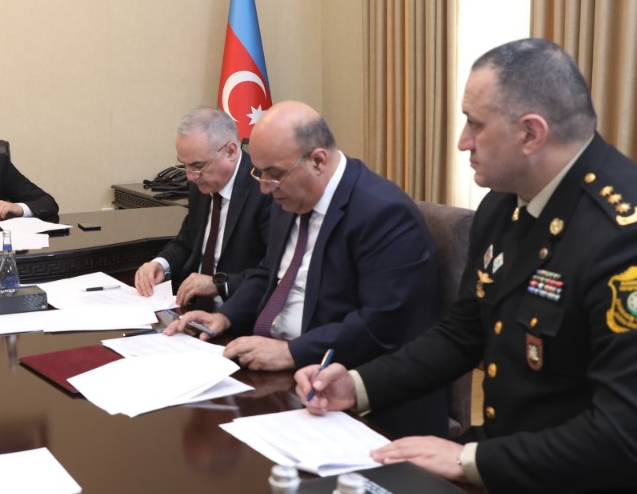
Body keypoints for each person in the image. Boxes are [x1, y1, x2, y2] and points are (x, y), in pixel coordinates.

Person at [297, 38, 637, 494]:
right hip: (523, 466)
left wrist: (470, 460)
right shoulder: (507, 203)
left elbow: (630, 438)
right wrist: (356, 385)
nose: (462, 141)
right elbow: (464, 332)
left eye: (475, 124)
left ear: (530, 134)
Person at [167, 100, 447, 438]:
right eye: (259, 172)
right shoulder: (289, 195)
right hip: (275, 371)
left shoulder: (383, 213)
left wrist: (290, 352)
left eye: (274, 174)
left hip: (345, 387)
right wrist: (225, 317)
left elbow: (382, 322)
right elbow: (269, 273)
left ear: (318, 160)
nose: (264, 187)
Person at [134, 107, 273, 307]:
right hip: (190, 306)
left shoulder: (265, 189)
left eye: (198, 166)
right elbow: (186, 242)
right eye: (185, 165)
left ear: (231, 151)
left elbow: (272, 272)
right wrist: (160, 264)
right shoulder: (201, 184)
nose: (190, 176)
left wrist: (219, 284)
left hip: (238, 311)